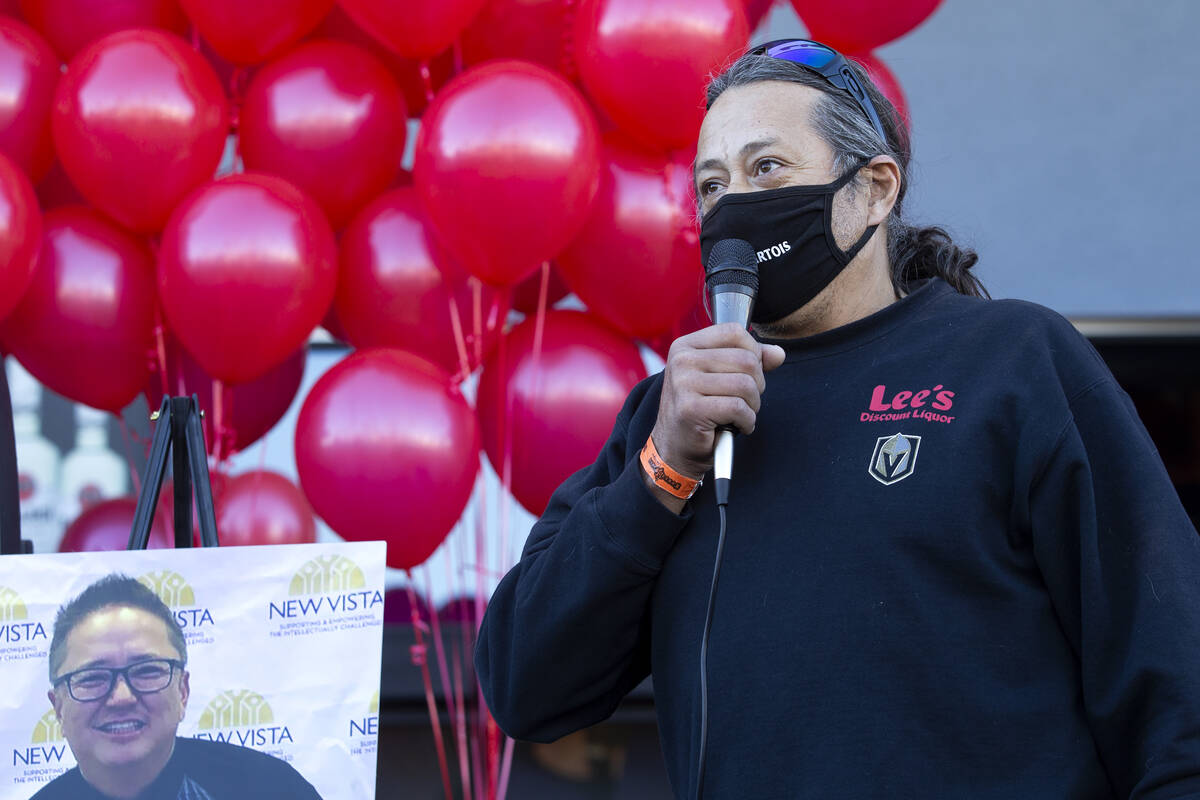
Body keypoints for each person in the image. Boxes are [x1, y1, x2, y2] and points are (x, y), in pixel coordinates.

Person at [475, 38, 1200, 799]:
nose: (734, 207)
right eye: (711, 185)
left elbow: (1172, 678)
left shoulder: (1013, 362)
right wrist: (662, 472)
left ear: (876, 188)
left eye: (767, 168)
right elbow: (527, 684)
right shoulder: (672, 416)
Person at [31, 574, 323, 800]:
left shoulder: (271, 789)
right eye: (93, 677)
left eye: (146, 671)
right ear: (58, 706)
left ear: (182, 691)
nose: (121, 697)